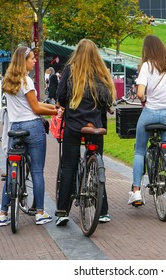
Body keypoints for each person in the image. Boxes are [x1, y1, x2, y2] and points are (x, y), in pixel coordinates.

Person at [55, 39, 115, 226]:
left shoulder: (70, 70)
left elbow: (61, 97)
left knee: (69, 166)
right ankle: (103, 210)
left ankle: (63, 211)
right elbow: (109, 99)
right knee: (97, 163)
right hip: (96, 126)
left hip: (74, 126)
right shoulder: (102, 72)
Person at [128, 35, 166, 214]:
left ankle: (136, 191)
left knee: (139, 150)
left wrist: (147, 98)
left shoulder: (147, 66)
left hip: (150, 114)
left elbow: (140, 93)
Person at [0, 46, 58, 226]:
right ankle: (40, 212)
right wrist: (56, 113)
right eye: (31, 58)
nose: (34, 61)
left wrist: (53, 108)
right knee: (37, 171)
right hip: (32, 127)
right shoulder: (27, 81)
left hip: (15, 127)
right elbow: (36, 108)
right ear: (23, 61)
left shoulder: (8, 81)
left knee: (10, 171)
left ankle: (3, 213)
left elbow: (32, 103)